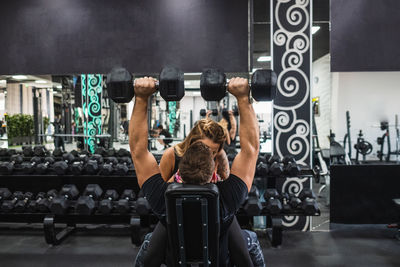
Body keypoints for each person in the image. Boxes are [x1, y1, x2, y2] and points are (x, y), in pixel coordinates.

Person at [129, 77, 264, 266]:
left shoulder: (162, 198)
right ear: (212, 173)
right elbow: (251, 149)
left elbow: (138, 150)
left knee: (148, 242)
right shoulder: (228, 196)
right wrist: (243, 97)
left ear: (180, 170)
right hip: (219, 256)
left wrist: (141, 98)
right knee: (251, 238)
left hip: (174, 255)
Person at [160, 118, 230, 182]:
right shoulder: (171, 154)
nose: (208, 155)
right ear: (191, 142)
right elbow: (159, 192)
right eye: (203, 148)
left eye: (213, 152)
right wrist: (176, 178)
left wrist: (220, 159)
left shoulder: (218, 156)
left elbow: (230, 189)